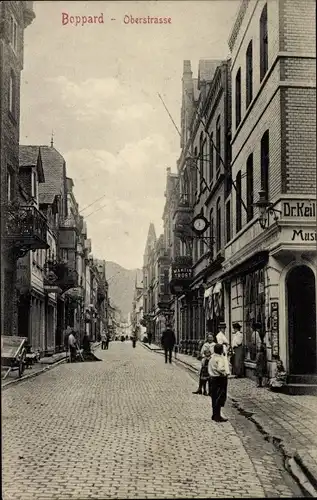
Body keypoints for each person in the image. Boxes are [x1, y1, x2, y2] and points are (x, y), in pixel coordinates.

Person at [208, 343, 230, 422]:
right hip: (219, 379)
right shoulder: (220, 359)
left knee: (214, 397)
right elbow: (220, 368)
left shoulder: (212, 358)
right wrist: (224, 373)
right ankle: (218, 416)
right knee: (219, 397)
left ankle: (214, 414)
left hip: (212, 379)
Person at [253, 322, 267, 387]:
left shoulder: (255, 333)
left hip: (259, 352)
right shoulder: (256, 334)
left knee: (259, 368)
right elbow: (258, 343)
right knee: (260, 368)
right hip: (260, 352)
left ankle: (259, 383)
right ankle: (260, 383)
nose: (260, 329)